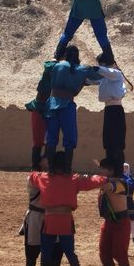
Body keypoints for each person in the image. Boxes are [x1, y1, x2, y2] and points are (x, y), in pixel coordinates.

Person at [29, 151, 109, 266]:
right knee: (70, 252)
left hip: (49, 220)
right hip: (65, 220)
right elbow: (92, 181)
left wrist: (37, 163)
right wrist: (105, 177)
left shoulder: (43, 177)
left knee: (46, 253)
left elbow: (32, 176)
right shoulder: (74, 179)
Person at [45, 45, 103, 173]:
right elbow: (99, 78)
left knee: (51, 137)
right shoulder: (83, 69)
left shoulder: (57, 66)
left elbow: (48, 69)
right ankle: (67, 169)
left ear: (65, 54)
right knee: (70, 138)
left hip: (52, 103)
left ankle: (50, 169)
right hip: (68, 105)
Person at [23, 156, 64, 266]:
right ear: (40, 162)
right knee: (32, 248)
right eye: (46, 159)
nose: (49, 161)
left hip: (53, 216)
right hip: (37, 216)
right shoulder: (34, 177)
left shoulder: (57, 176)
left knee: (57, 248)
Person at [91, 52, 129, 175]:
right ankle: (111, 172)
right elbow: (92, 79)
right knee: (108, 143)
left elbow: (106, 71)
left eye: (101, 63)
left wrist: (94, 68)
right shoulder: (104, 77)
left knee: (117, 144)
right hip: (108, 110)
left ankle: (118, 173)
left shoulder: (116, 74)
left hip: (116, 110)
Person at [97, 158, 133, 266]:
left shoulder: (120, 183)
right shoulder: (106, 180)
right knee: (104, 253)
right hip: (108, 223)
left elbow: (108, 186)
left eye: (103, 169)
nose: (100, 171)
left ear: (111, 171)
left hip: (121, 223)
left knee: (119, 253)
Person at [25, 57, 61, 169]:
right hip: (41, 109)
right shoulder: (50, 75)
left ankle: (43, 165)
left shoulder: (56, 78)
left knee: (46, 140)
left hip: (47, 109)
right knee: (39, 141)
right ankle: (37, 166)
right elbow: (49, 65)